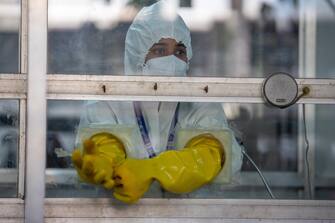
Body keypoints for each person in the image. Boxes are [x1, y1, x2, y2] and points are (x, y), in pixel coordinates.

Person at [72, 0, 242, 203]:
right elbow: (106, 140)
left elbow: (212, 154)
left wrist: (154, 170)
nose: (171, 61)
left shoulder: (200, 105)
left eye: (179, 51)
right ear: (137, 56)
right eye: (160, 51)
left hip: (187, 215)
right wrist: (104, 159)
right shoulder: (107, 103)